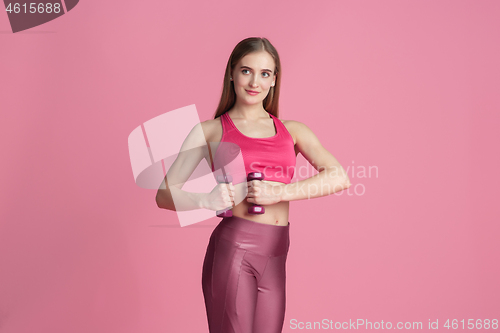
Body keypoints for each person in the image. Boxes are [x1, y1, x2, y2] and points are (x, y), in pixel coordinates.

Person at [156, 37, 351, 333]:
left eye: (264, 74)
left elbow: (338, 176)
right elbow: (164, 194)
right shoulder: (209, 131)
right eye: (246, 71)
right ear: (232, 73)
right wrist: (205, 201)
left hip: (276, 254)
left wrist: (281, 192)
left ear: (273, 80)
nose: (254, 82)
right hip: (233, 251)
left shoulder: (293, 131)